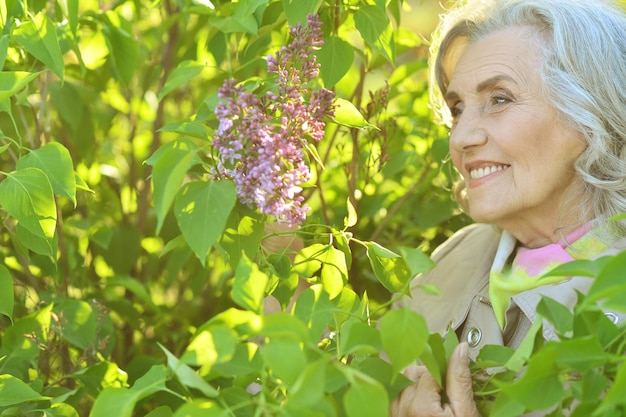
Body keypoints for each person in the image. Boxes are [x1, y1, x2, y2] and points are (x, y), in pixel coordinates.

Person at [390, 0, 626, 415]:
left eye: (499, 99)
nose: (461, 136)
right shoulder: (455, 255)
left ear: (592, 113)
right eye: (457, 109)